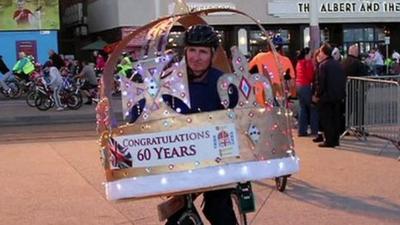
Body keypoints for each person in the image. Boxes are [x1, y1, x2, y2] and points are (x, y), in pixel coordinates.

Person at [135, 24, 236, 225]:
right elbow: (144, 111)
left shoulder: (223, 83)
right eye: (191, 50)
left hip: (216, 161)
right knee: (177, 215)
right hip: (180, 158)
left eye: (202, 52)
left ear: (212, 54)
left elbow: (238, 120)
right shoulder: (170, 79)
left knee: (218, 209)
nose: (196, 57)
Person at [314, 43, 346, 148]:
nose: (319, 53)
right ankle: (335, 140)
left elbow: (321, 83)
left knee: (327, 119)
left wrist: (317, 94)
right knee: (336, 118)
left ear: (324, 53)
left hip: (326, 96)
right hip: (337, 96)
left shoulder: (323, 65)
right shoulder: (338, 64)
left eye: (320, 51)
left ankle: (329, 140)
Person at [295, 47, 318, 137]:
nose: (311, 56)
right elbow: (310, 76)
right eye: (310, 54)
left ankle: (302, 130)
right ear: (307, 54)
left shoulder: (299, 63)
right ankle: (314, 130)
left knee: (302, 108)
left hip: (299, 86)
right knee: (313, 108)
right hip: (306, 86)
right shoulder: (307, 63)